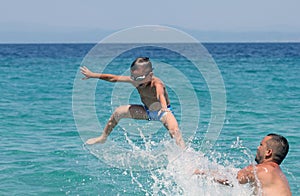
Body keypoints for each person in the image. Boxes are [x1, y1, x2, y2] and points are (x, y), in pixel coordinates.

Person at [80, 57, 185, 149]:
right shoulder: (136, 81)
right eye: (133, 77)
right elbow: (113, 78)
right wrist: (93, 75)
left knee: (174, 132)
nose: (136, 81)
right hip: (147, 111)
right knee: (118, 112)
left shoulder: (157, 83)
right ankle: (103, 138)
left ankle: (187, 160)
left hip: (163, 112)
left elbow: (160, 94)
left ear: (150, 75)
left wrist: (164, 107)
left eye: (139, 78)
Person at [194, 133, 291, 195]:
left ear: (268, 152)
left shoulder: (259, 169)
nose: (258, 147)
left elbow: (229, 179)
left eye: (261, 145)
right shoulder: (278, 174)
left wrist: (201, 172)